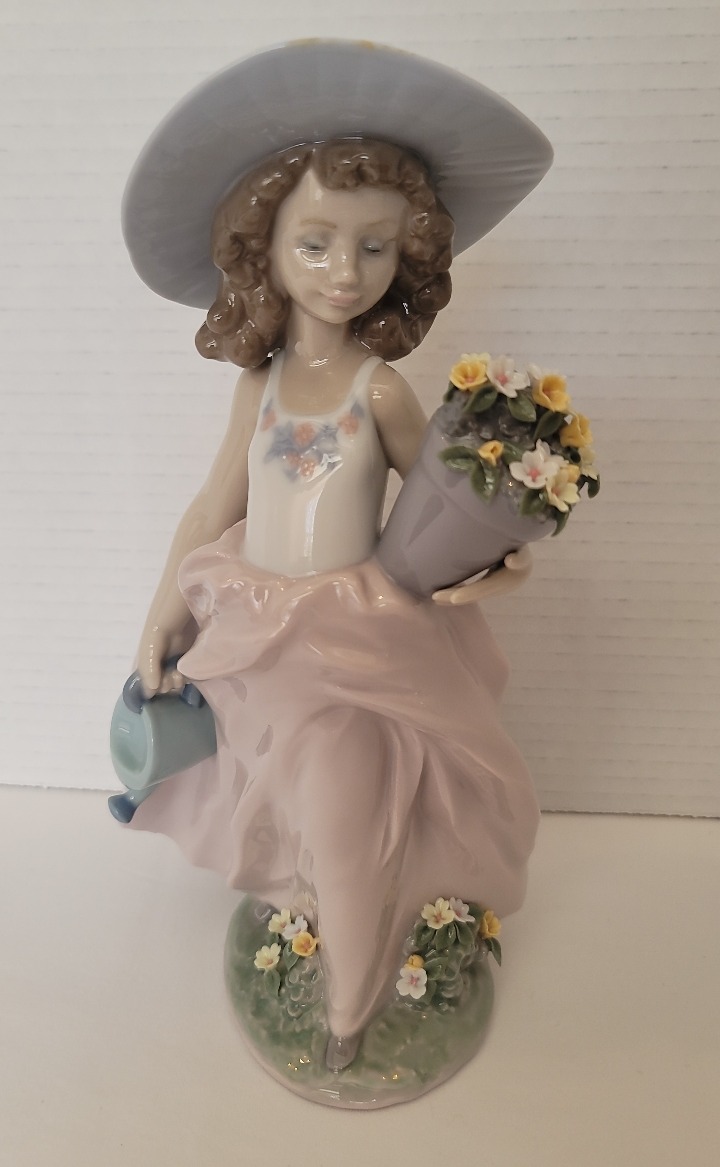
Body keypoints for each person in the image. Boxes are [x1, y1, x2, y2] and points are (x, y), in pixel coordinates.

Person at [119, 41, 553, 1074]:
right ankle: (317, 930)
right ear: (263, 252)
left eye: (374, 248)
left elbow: (448, 504)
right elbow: (215, 503)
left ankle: (350, 1013)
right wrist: (163, 611)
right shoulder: (260, 386)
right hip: (258, 639)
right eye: (314, 244)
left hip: (357, 645)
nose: (344, 273)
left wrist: (504, 560)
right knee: (288, 807)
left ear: (409, 257)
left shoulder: (380, 390)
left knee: (345, 813)